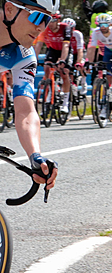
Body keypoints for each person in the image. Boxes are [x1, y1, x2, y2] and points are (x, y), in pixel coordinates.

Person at [0, 0, 59, 189]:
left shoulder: (24, 55)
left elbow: (25, 111)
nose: (41, 27)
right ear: (9, 9)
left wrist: (35, 156)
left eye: (47, 20)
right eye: (37, 16)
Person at [86, 13, 112, 118]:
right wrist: (88, 62)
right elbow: (92, 48)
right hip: (108, 50)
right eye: (100, 25)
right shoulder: (96, 32)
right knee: (108, 74)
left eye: (105, 24)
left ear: (109, 24)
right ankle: (108, 97)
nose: (103, 27)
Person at [33, 11, 72, 113]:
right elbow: (39, 45)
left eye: (53, 20)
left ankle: (65, 103)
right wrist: (34, 59)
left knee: (64, 72)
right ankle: (50, 89)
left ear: (58, 20)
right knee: (46, 67)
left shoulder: (65, 28)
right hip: (53, 49)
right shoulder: (44, 29)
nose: (50, 23)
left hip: (64, 50)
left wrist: (63, 60)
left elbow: (66, 46)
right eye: (48, 20)